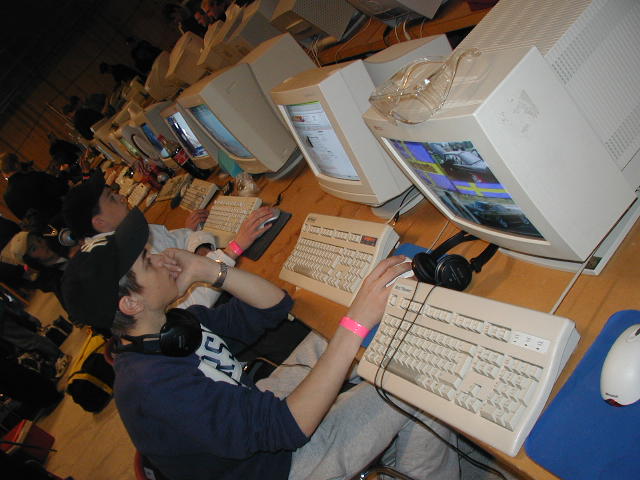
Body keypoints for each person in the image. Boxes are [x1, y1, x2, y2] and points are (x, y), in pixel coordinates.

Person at [61, 208, 458, 480]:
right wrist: (356, 322)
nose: (165, 258)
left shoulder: (170, 328)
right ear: (130, 304)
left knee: (329, 337)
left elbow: (273, 306)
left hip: (257, 413)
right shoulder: (154, 388)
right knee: (413, 379)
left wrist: (207, 269)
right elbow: (287, 429)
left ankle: (393, 442)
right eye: (148, 261)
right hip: (280, 466)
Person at [61, 171, 276, 310]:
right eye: (111, 198)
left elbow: (183, 236)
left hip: (217, 282)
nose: (121, 198)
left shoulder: (127, 232)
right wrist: (232, 250)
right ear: (99, 222)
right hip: (216, 312)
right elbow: (190, 308)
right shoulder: (117, 265)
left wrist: (200, 249)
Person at [0, 152, 69, 222]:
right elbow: (62, 189)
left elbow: (23, 218)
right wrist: (64, 172)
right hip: (62, 216)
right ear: (16, 165)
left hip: (44, 227)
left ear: (4, 174)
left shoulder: (7, 197)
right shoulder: (34, 177)